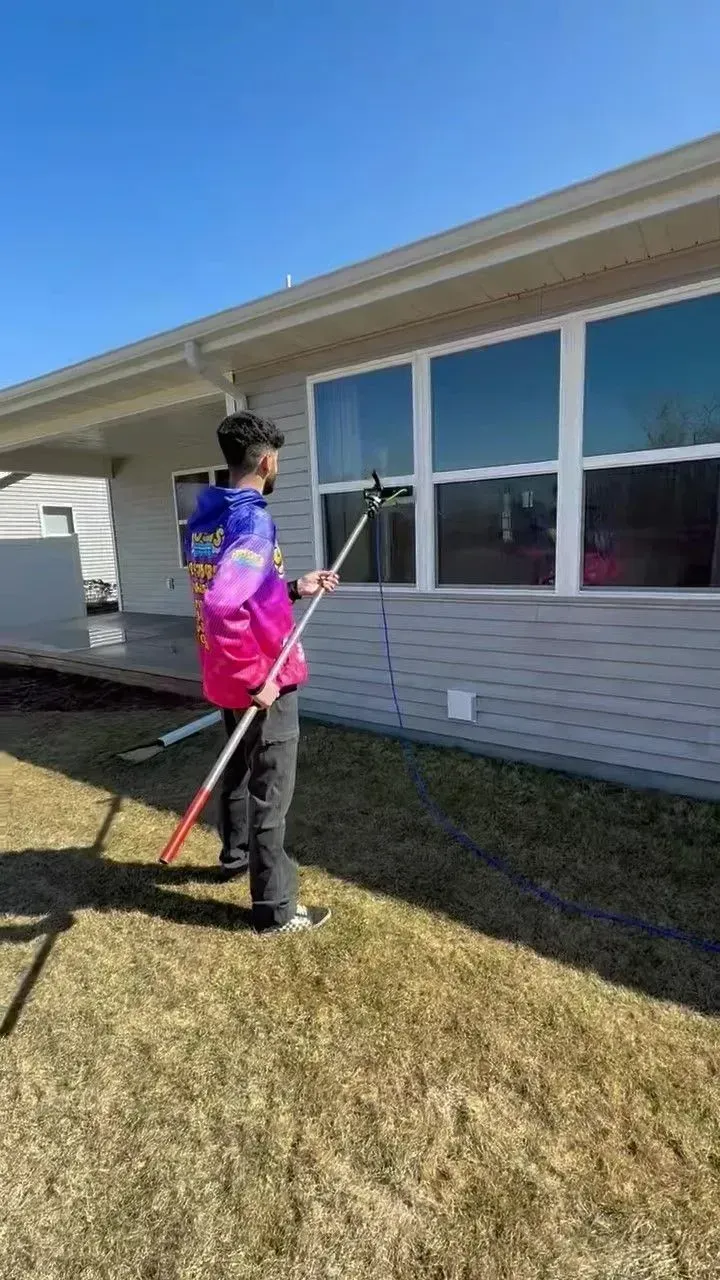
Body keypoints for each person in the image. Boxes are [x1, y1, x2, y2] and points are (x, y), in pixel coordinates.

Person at [185, 410, 339, 936]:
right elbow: (226, 607)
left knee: (238, 772)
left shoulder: (207, 517)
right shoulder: (252, 521)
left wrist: (294, 586)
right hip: (259, 679)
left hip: (224, 675)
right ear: (267, 460)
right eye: (279, 463)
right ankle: (275, 910)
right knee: (270, 790)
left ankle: (234, 857)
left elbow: (238, 591)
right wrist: (259, 679)